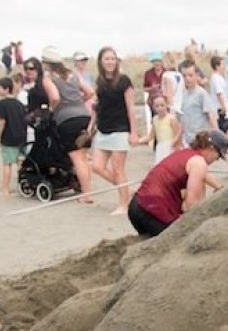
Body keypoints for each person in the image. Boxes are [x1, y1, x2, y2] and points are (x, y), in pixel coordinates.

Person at [127, 129, 228, 237]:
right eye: (218, 156)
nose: (217, 160)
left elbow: (203, 174)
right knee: (182, 238)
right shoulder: (199, 163)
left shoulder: (186, 153)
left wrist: (220, 187)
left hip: (136, 206)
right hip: (153, 211)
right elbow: (191, 205)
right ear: (212, 148)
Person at [40, 46, 95, 203]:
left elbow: (55, 97)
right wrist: (79, 102)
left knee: (77, 158)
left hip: (67, 119)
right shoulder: (73, 74)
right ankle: (87, 189)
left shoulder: (49, 78)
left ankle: (87, 194)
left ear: (46, 62)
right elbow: (90, 92)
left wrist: (52, 109)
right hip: (84, 116)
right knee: (84, 156)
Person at [90, 46, 136, 216]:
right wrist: (91, 125)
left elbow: (131, 108)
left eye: (112, 58)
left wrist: (134, 132)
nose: (110, 62)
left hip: (120, 129)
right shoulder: (99, 82)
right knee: (97, 166)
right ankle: (127, 190)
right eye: (106, 59)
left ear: (116, 61)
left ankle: (124, 205)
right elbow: (97, 106)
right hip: (103, 129)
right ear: (101, 62)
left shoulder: (124, 81)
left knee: (118, 169)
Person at [0, 77, 27, 196]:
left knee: (7, 163)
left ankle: (5, 189)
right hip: (21, 136)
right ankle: (22, 185)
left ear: (6, 89)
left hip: (9, 137)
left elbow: (2, 121)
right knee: (20, 162)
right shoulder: (19, 104)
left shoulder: (3, 103)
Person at [179, 60, 218, 146]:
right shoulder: (184, 95)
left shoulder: (201, 94)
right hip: (188, 139)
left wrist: (217, 134)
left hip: (200, 139)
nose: (187, 78)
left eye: (190, 75)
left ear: (197, 76)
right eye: (184, 76)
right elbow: (183, 118)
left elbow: (210, 115)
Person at [136, 94, 181, 165]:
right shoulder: (155, 120)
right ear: (154, 107)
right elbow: (150, 136)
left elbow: (178, 134)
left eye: (162, 105)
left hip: (170, 147)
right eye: (157, 106)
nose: (160, 108)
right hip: (160, 148)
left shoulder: (171, 119)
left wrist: (174, 145)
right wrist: (138, 141)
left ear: (166, 105)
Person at [209, 55, 228, 133]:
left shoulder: (220, 77)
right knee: (226, 131)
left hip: (223, 109)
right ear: (217, 66)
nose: (224, 66)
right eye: (222, 64)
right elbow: (219, 93)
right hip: (220, 110)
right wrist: (223, 107)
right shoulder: (216, 78)